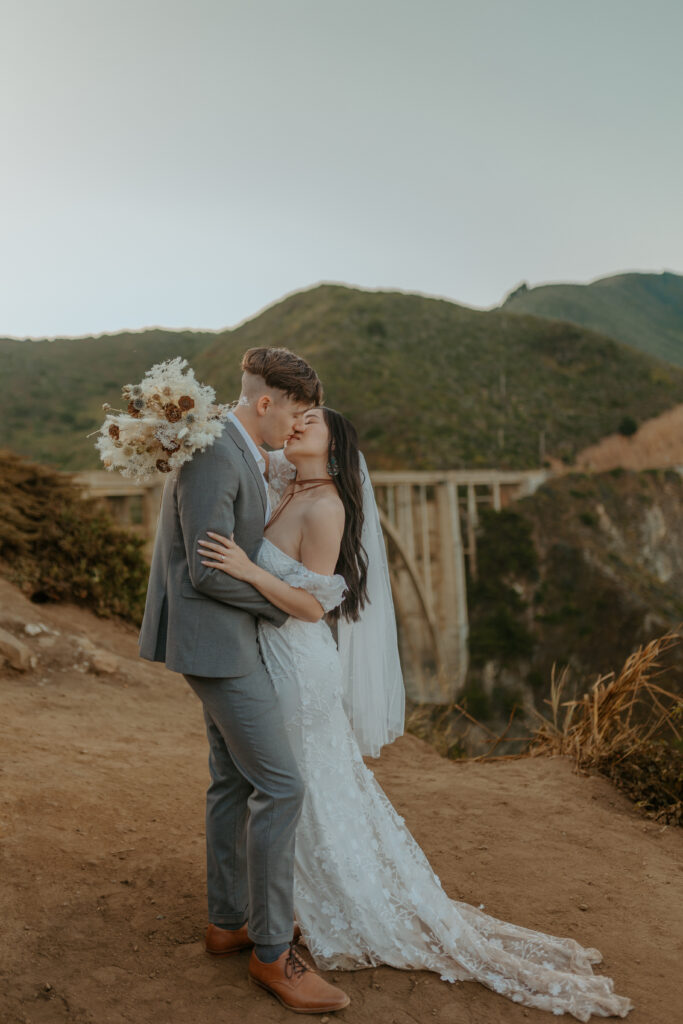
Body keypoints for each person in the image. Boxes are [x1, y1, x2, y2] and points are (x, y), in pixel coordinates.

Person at [197, 406, 635, 1022]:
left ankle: (294, 917)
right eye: (296, 419)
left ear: (337, 447)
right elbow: (243, 436)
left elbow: (308, 605)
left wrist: (245, 569)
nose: (297, 427)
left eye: (312, 423)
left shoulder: (327, 509)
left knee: (294, 785)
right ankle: (269, 912)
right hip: (271, 661)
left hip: (297, 666)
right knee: (299, 786)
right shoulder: (286, 482)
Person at [139, 348, 351, 1014]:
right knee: (281, 785)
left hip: (223, 643)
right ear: (265, 402)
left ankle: (228, 920)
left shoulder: (235, 450)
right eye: (290, 412)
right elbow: (203, 571)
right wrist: (286, 613)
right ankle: (270, 954)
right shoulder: (214, 454)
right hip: (220, 649)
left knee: (232, 780)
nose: (292, 426)